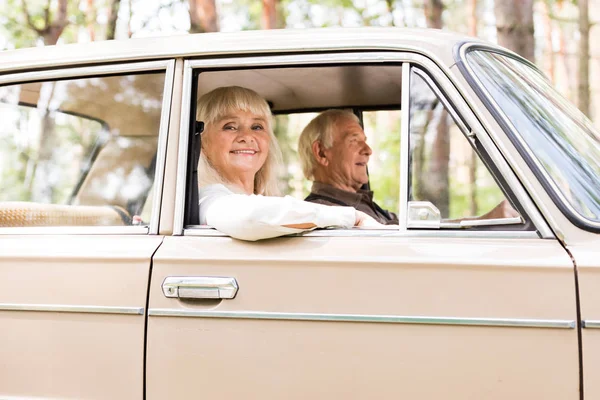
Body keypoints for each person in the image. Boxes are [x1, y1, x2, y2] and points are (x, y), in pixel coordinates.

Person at [196, 86, 378, 241]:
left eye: (257, 126)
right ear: (202, 142)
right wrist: (352, 217)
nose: (247, 136)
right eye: (230, 126)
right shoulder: (208, 198)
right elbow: (249, 217)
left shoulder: (268, 204)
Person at [298, 109, 519, 224]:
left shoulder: (363, 206)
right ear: (322, 152)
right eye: (354, 140)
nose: (368, 150)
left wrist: (490, 219)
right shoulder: (325, 214)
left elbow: (420, 233)